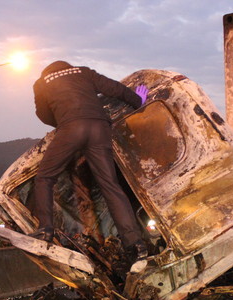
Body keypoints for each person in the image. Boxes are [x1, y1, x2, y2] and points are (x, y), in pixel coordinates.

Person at [30, 60, 149, 259]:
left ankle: (45, 230)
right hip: (99, 127)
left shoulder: (41, 83)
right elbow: (114, 88)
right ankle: (136, 244)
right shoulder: (84, 72)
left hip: (71, 129)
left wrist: (63, 120)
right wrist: (138, 101)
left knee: (44, 178)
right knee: (110, 185)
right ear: (68, 67)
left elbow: (42, 114)